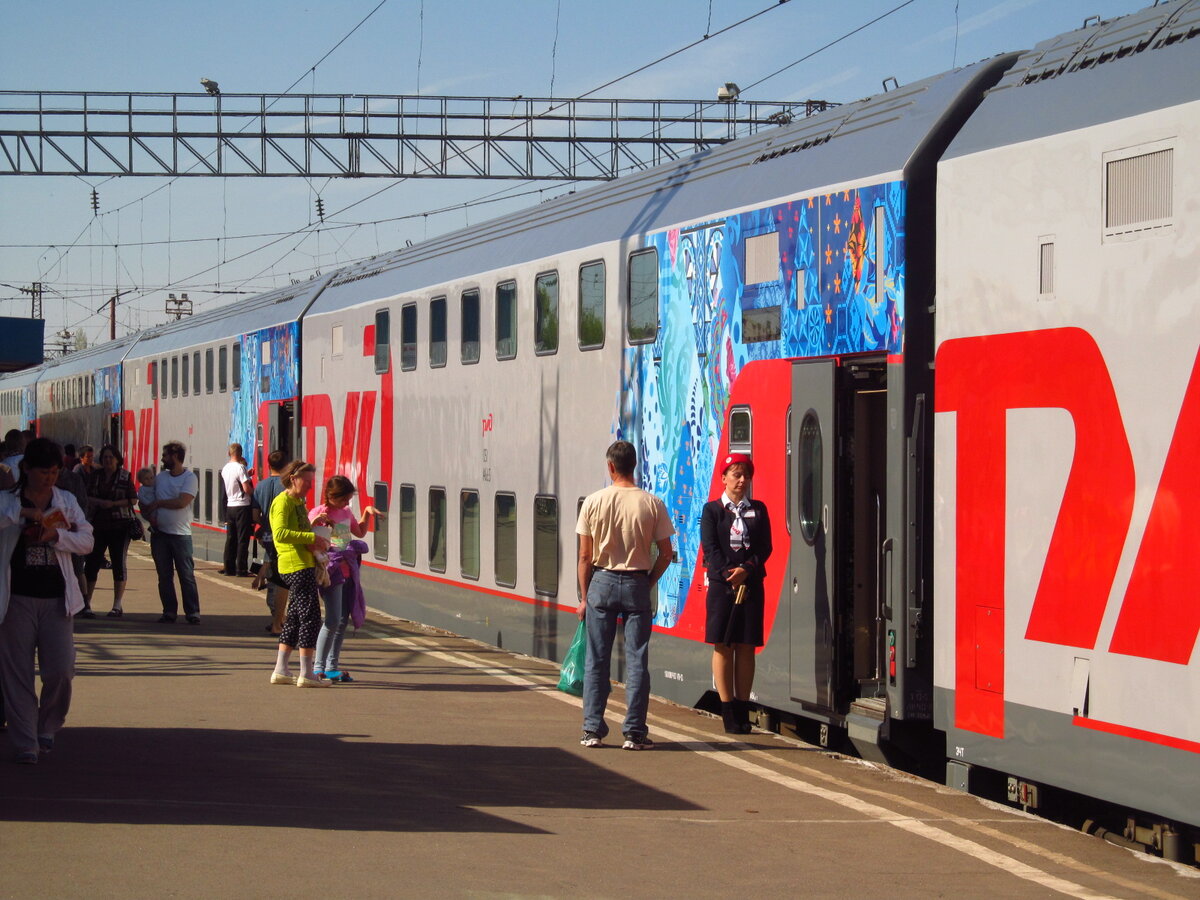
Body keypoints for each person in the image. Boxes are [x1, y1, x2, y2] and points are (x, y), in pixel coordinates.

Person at [0, 438, 94, 764]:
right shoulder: (7, 501)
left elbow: (87, 540)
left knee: (60, 670)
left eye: (55, 472)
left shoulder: (65, 501)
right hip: (16, 600)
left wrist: (56, 535)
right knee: (17, 673)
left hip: (57, 600)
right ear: (25, 469)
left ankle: (48, 726)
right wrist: (21, 513)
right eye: (44, 472)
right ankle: (26, 742)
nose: (50, 478)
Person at [576, 440, 674, 750]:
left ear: (610, 467)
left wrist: (584, 596)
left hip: (601, 581)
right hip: (636, 582)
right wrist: (649, 581)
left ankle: (592, 730)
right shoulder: (652, 503)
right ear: (635, 465)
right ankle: (634, 732)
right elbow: (667, 553)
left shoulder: (593, 502)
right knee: (637, 660)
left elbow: (584, 556)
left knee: (597, 660)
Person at [700, 453, 773, 734]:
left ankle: (744, 708)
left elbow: (765, 547)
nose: (742, 480)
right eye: (736, 474)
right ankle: (728, 709)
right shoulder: (712, 510)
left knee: (746, 645)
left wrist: (746, 569)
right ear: (724, 478)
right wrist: (729, 575)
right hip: (722, 588)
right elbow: (711, 549)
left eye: (746, 476)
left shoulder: (759, 509)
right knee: (723, 645)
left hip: (751, 584)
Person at [310, 475, 378, 683]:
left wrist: (367, 513)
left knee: (341, 622)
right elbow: (309, 539)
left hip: (349, 571)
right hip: (331, 572)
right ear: (331, 496)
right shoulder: (319, 513)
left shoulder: (346, 512)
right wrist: (317, 522)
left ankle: (332, 665)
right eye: (343, 500)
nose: (347, 504)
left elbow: (359, 532)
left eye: (348, 500)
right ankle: (318, 666)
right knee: (331, 620)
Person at [269, 461, 330, 687]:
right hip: (295, 565)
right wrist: (312, 538)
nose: (310, 487)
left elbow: (297, 530)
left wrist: (314, 525)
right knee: (311, 618)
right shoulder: (282, 502)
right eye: (307, 481)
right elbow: (281, 533)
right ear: (293, 478)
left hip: (300, 564)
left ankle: (281, 669)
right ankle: (306, 673)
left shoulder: (296, 502)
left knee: (294, 618)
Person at [144, 441, 200, 624]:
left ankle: (192, 612)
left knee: (186, 575)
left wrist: (159, 504)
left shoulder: (189, 478)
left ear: (175, 456)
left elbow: (182, 502)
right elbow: (148, 499)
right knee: (164, 576)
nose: (162, 458)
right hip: (160, 534)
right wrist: (148, 512)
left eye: (165, 455)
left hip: (181, 535)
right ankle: (169, 611)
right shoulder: (160, 477)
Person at [82, 445, 139, 619]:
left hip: (120, 526)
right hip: (97, 525)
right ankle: (87, 604)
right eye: (105, 457)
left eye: (111, 457)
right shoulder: (95, 476)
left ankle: (117, 605)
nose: (108, 460)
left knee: (118, 563)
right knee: (92, 563)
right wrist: (99, 502)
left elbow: (133, 499)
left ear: (117, 459)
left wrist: (113, 504)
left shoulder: (125, 476)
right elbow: (86, 496)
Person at [250, 449, 290, 635]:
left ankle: (276, 617)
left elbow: (255, 514)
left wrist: (264, 525)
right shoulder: (288, 486)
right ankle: (280, 620)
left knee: (273, 577)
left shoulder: (260, 486)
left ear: (269, 465)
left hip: (268, 535)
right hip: (284, 538)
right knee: (283, 578)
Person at [219, 443, 253, 577]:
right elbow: (246, 489)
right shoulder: (240, 467)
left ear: (229, 453)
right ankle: (241, 569)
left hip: (230, 507)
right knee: (242, 539)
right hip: (242, 506)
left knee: (231, 538)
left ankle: (228, 568)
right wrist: (253, 492)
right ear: (240, 453)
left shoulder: (225, 468)